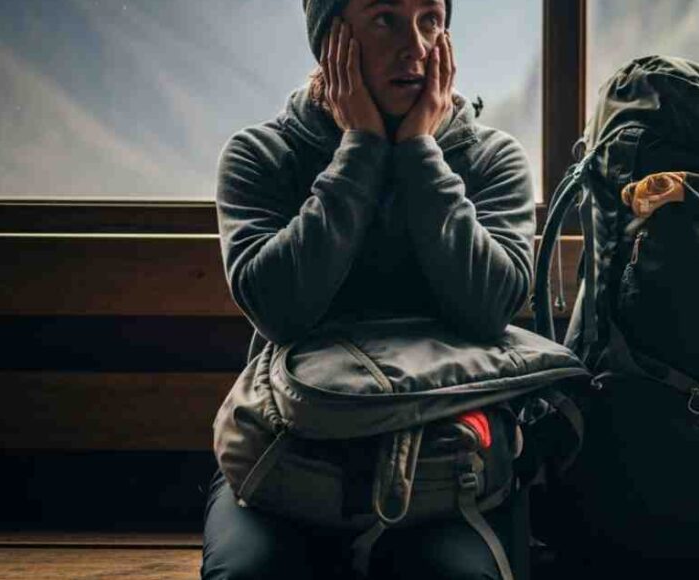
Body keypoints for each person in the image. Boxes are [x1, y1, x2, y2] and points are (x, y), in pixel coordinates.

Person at [202, 0, 536, 577]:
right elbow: (281, 311)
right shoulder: (261, 156)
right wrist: (360, 151)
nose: (416, 46)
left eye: (430, 19)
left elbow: (490, 308)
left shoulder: (491, 160)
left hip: (446, 463)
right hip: (290, 458)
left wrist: (419, 157)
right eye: (384, 18)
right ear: (330, 37)